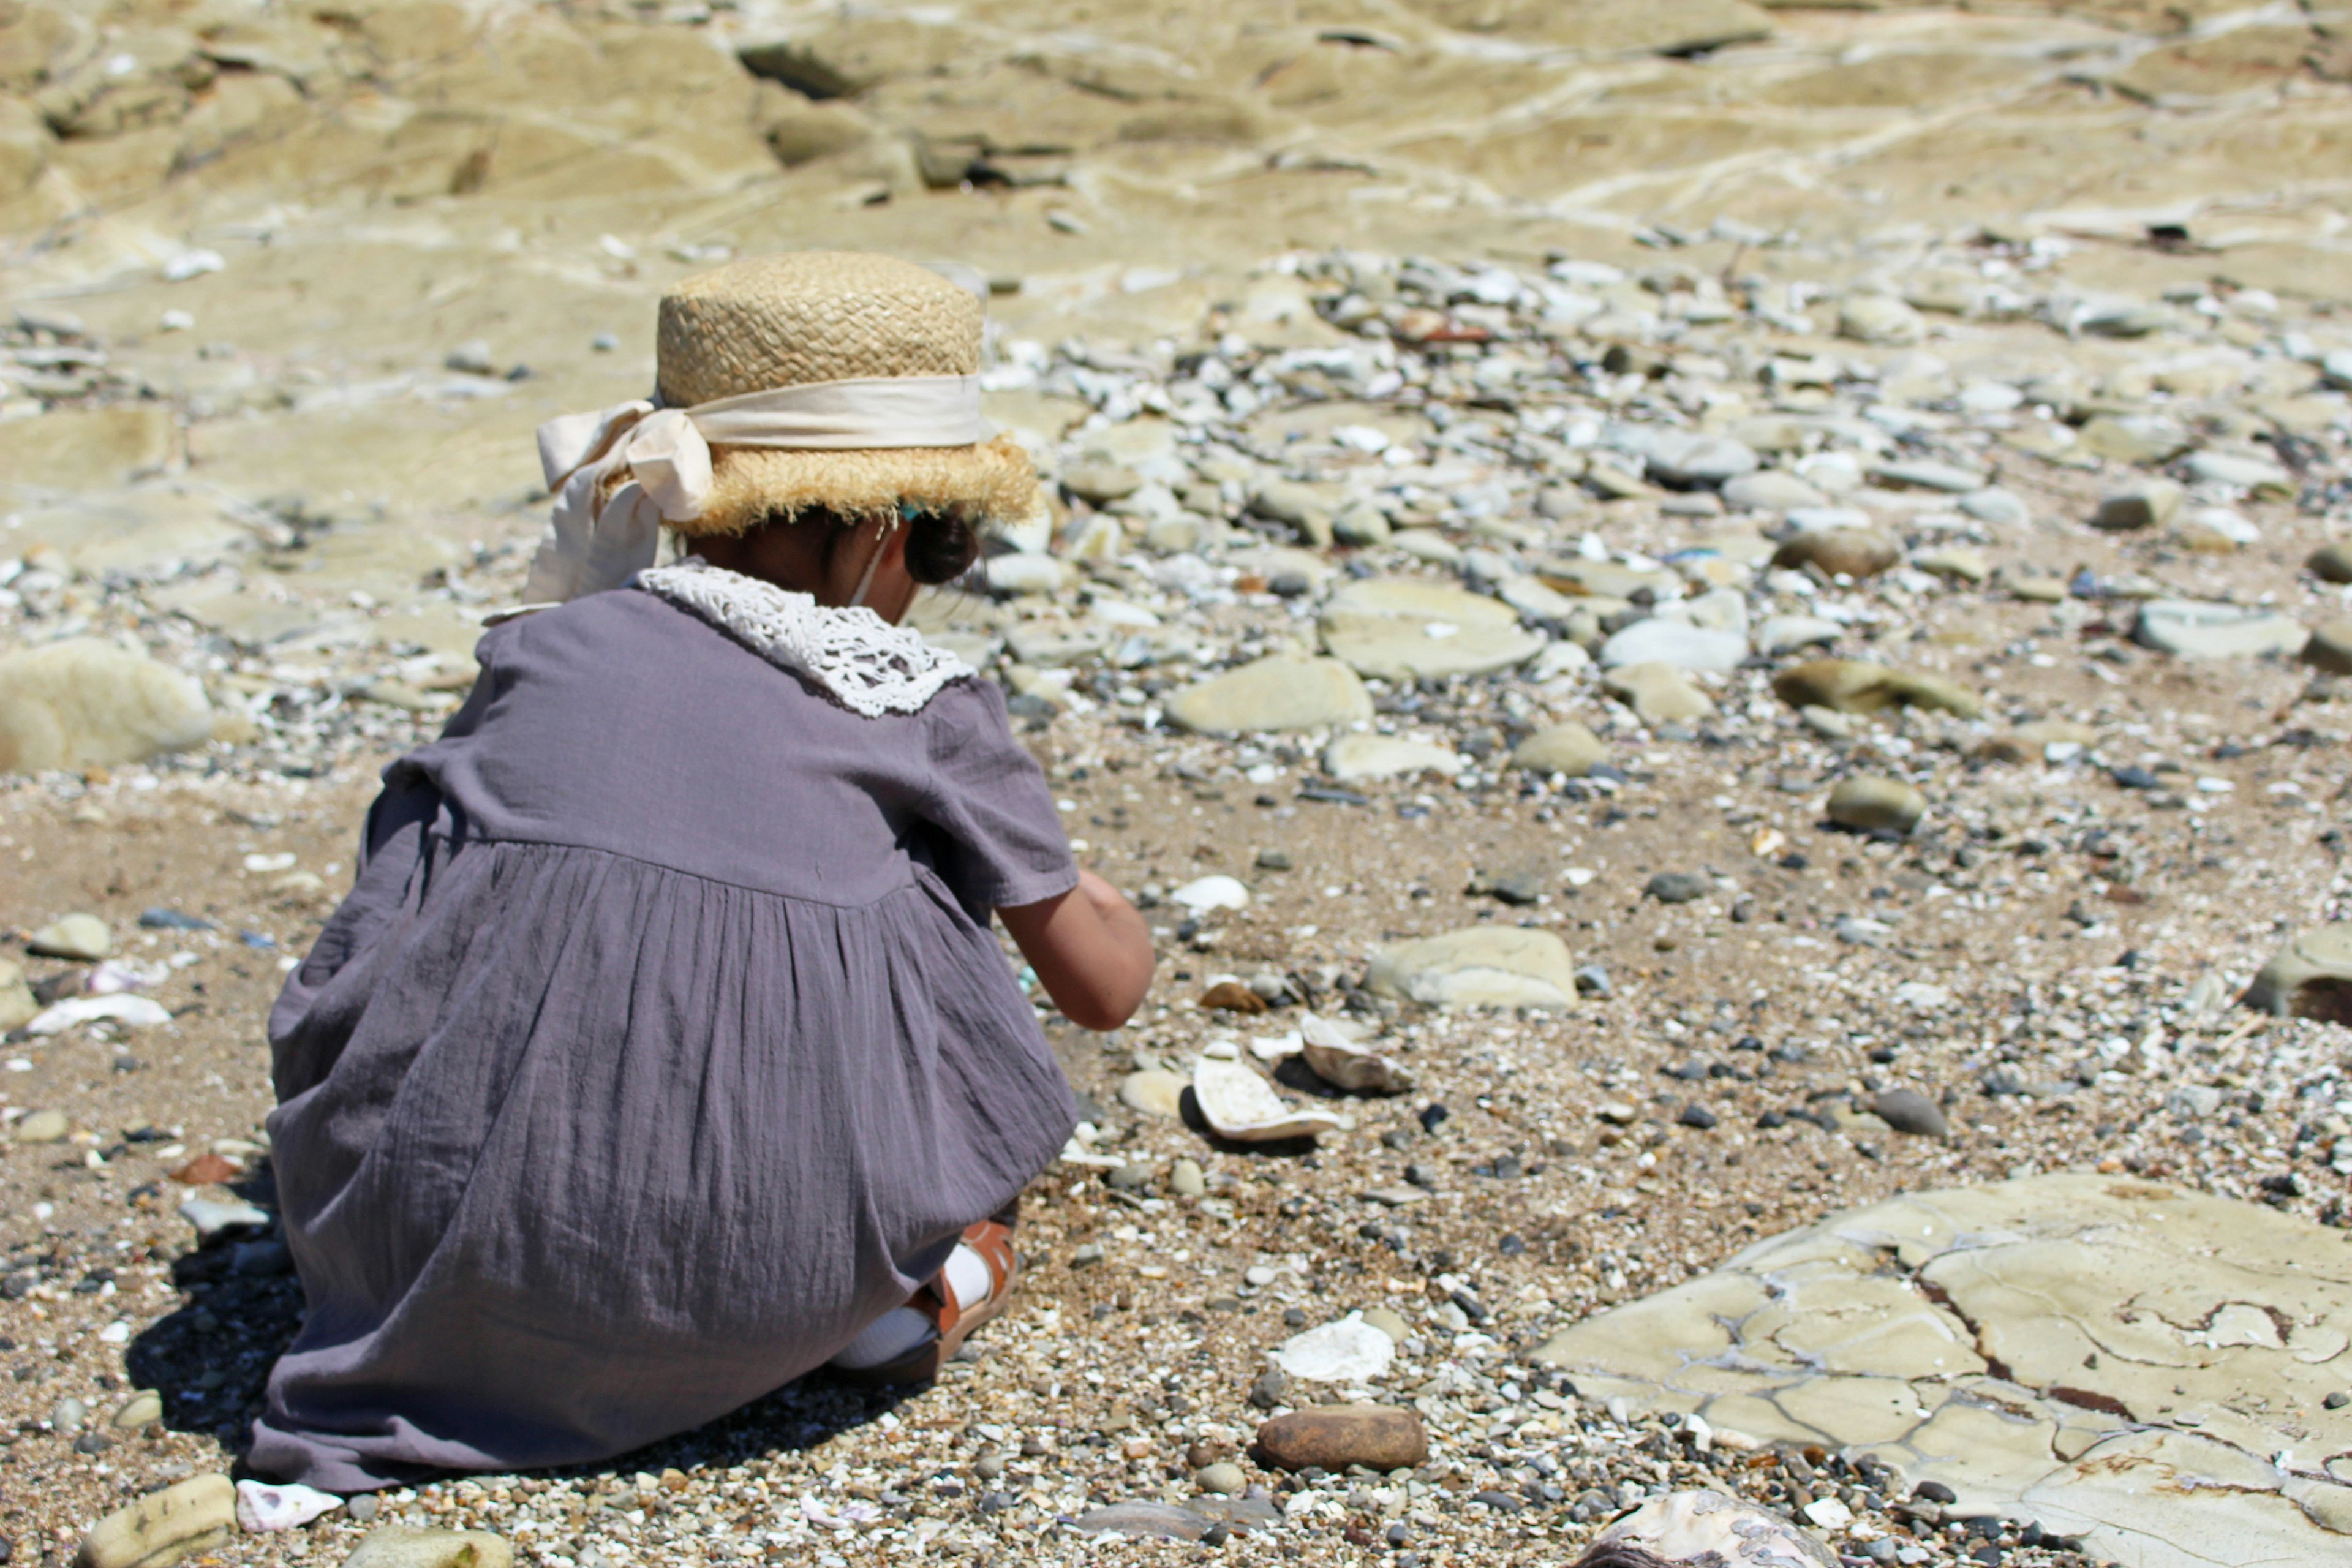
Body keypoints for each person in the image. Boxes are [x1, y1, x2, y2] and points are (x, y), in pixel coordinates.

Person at [249, 251, 1155, 1492]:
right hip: (745, 1282)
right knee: (919, 901)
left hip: (394, 1248)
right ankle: (887, 1300)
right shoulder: (910, 699)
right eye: (941, 552)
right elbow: (1104, 987)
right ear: (893, 529)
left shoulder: (543, 646)